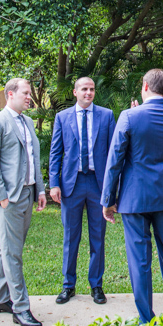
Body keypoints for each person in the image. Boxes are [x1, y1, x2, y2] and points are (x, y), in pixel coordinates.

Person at [100, 69, 163, 324]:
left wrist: (108, 200)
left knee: (140, 260)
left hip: (134, 197)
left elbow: (114, 160)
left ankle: (146, 319)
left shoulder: (130, 116)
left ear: (145, 85)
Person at [0, 78, 47, 326]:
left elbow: (33, 158)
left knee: (7, 249)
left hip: (27, 194)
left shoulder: (27, 121)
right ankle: (20, 307)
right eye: (26, 93)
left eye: (30, 93)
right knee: (13, 253)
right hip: (8, 199)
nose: (30, 97)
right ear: (10, 94)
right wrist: (1, 196)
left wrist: (39, 189)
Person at [48, 76, 116, 306]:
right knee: (71, 237)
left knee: (98, 237)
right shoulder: (62, 117)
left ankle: (96, 285)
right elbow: (56, 152)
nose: (89, 93)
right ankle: (68, 286)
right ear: (75, 92)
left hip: (98, 185)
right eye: (84, 89)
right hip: (72, 184)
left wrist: (112, 187)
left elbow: (113, 153)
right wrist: (54, 183)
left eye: (92, 89)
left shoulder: (106, 116)